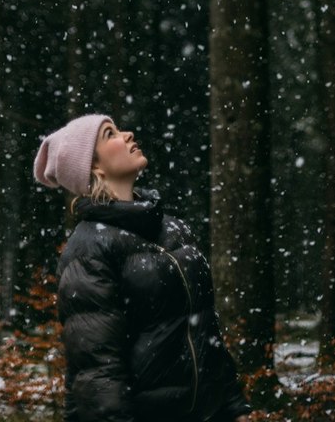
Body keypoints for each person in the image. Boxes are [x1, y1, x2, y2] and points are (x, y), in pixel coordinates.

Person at [34, 113, 250, 422]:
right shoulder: (87, 250)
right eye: (110, 134)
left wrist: (233, 406)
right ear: (93, 166)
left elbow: (205, 328)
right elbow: (98, 370)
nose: (128, 135)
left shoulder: (174, 229)